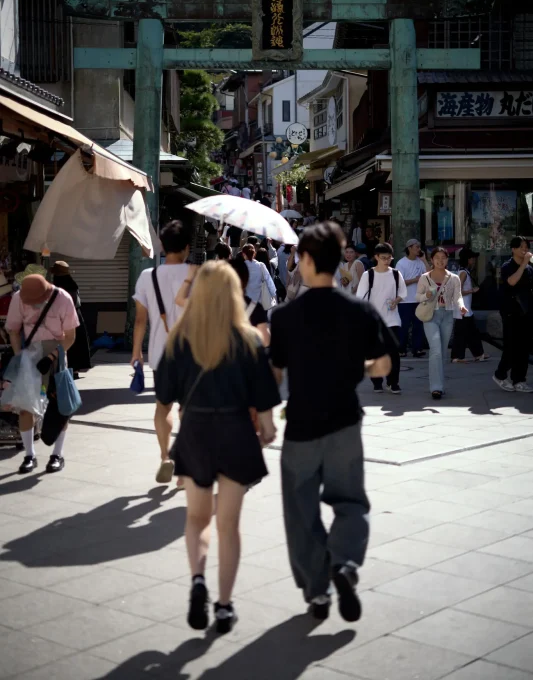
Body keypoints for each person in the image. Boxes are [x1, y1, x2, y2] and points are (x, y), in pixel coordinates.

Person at [270, 222, 392, 622]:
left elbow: (275, 375)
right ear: (339, 260)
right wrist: (358, 364)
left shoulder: (285, 316)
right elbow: (383, 367)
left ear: (305, 260)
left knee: (301, 512)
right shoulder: (360, 311)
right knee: (351, 502)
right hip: (344, 423)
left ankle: (318, 592)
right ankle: (345, 565)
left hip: (302, 427)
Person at [155, 261, 279, 634]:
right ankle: (224, 606)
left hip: (195, 431)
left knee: (196, 518)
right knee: (229, 525)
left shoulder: (180, 338)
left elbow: (163, 399)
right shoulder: (249, 340)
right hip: (236, 432)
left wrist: (164, 445)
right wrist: (268, 429)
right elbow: (267, 408)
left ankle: (197, 580)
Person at [131, 220, 192, 484]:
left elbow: (140, 320)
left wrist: (136, 352)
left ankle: (165, 456)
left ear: (163, 247)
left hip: (160, 353)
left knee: (162, 407)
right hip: (193, 353)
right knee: (188, 410)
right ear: (187, 248)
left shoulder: (148, 276)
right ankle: (183, 467)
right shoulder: (198, 274)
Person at [6, 274, 79, 474]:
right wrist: (19, 356)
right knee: (25, 405)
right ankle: (29, 455)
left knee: (60, 406)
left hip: (57, 351)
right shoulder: (18, 298)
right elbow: (13, 330)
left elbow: (71, 336)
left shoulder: (63, 298)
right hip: (30, 352)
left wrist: (53, 356)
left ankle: (57, 454)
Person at [416, 246, 467, 400]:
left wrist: (461, 306)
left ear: (447, 260)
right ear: (432, 260)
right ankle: (435, 387)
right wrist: (427, 294)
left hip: (448, 315)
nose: (440, 260)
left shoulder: (454, 277)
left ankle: (440, 385)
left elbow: (458, 296)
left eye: (443, 258)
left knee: (442, 352)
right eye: (437, 257)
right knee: (436, 349)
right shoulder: (425, 277)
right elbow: (417, 296)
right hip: (431, 315)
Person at [356, 243, 407, 394]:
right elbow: (360, 298)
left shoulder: (396, 274)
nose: (386, 261)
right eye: (383, 258)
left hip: (392, 319)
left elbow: (403, 293)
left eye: (389, 258)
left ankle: (393, 382)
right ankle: (377, 381)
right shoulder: (368, 275)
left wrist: (396, 301)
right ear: (376, 257)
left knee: (393, 353)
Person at [493, 236, 533, 392]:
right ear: (513, 249)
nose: (524, 250)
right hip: (510, 312)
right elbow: (511, 281)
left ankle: (519, 379)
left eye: (526, 247)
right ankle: (500, 374)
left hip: (526, 311)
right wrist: (523, 264)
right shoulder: (507, 266)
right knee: (511, 346)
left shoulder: (530, 269)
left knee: (524, 347)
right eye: (521, 247)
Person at [50, 261, 91, 376]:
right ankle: (76, 369)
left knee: (68, 343)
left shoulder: (60, 288)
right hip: (76, 316)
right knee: (76, 343)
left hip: (65, 317)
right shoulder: (72, 284)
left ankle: (69, 369)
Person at [451, 248, 490, 363]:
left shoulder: (464, 272)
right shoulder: (463, 273)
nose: (474, 260)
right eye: (472, 258)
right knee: (463, 333)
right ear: (468, 260)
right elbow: (457, 291)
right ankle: (457, 356)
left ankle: (478, 354)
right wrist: (472, 291)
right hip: (462, 309)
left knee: (471, 332)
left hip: (465, 309)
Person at [395, 239, 429, 358]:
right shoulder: (401, 263)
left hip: (419, 300)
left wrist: (424, 260)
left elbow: (430, 274)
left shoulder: (420, 262)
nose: (418, 249)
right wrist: (415, 280)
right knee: (404, 325)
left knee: (418, 326)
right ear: (409, 248)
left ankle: (417, 348)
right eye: (416, 247)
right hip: (405, 300)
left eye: (419, 247)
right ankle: (401, 349)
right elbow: (399, 282)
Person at [230, 258, 270, 345]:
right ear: (245, 279)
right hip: (246, 356)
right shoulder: (256, 309)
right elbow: (266, 341)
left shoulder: (212, 307)